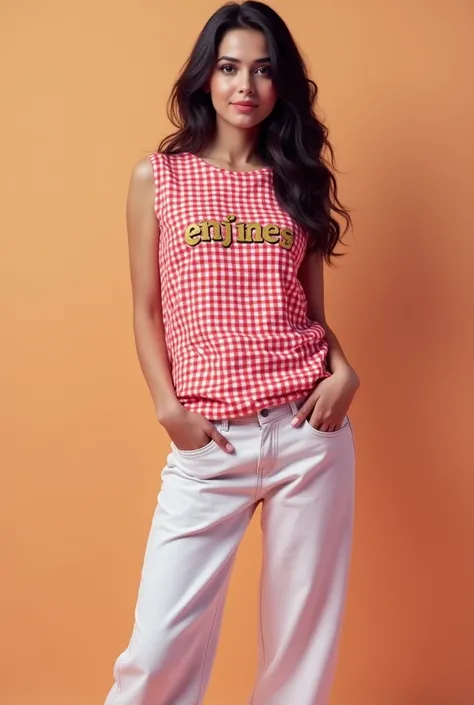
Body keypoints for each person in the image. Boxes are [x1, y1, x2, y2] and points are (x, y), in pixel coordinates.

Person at [104, 2, 360, 704]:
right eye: (229, 67)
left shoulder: (296, 183)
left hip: (310, 435)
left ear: (281, 86)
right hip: (209, 441)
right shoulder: (159, 177)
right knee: (156, 649)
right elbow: (146, 307)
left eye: (263, 70)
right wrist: (168, 408)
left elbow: (309, 313)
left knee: (299, 651)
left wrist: (345, 372)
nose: (245, 85)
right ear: (206, 79)